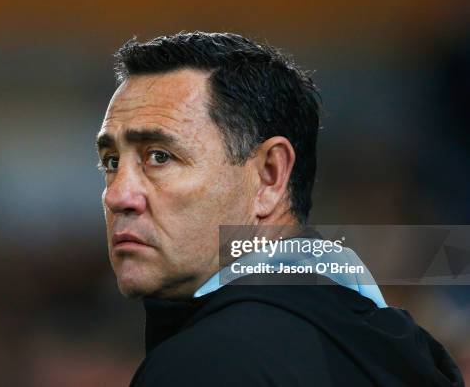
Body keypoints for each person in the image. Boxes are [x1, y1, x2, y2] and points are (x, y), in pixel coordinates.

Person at [95, 31, 464, 386]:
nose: (118, 195)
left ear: (270, 175)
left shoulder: (209, 364)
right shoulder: (399, 350)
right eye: (111, 162)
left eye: (159, 156)